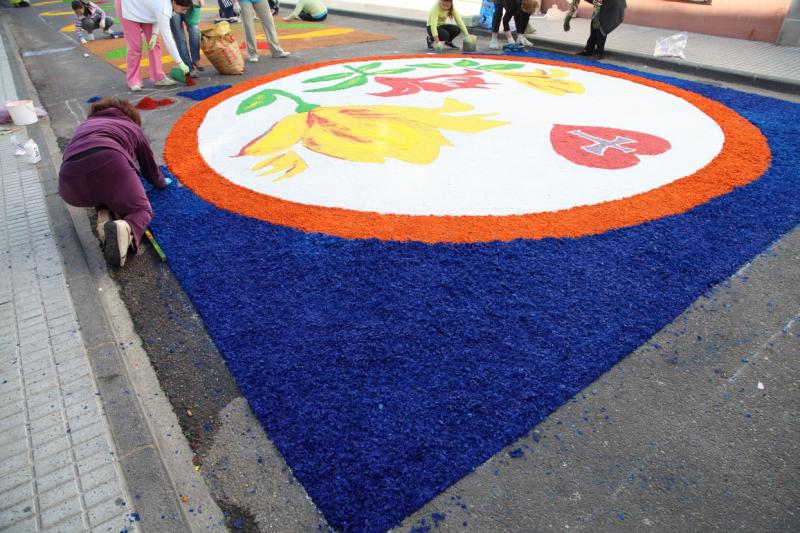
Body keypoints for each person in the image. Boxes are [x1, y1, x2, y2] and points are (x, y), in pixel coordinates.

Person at [58, 98, 169, 268]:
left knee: (103, 186)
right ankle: (125, 230)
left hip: (69, 185)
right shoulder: (131, 127)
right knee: (141, 209)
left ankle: (104, 216)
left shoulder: (85, 125)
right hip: (110, 162)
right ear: (131, 116)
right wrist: (161, 182)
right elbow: (150, 169)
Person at [116, 0, 194, 91]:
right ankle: (133, 80)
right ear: (175, 2)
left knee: (155, 44)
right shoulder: (164, 7)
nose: (184, 12)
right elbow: (167, 38)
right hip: (128, 7)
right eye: (183, 9)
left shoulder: (169, 6)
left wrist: (154, 34)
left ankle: (158, 77)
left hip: (146, 8)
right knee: (135, 47)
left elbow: (158, 16)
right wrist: (180, 62)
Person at [171, 0, 205, 77]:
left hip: (190, 3)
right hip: (174, 4)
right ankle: (189, 67)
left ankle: (195, 59)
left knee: (194, 31)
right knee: (179, 37)